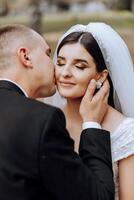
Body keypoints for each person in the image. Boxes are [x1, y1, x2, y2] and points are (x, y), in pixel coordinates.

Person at [0, 24, 115, 200]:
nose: (57, 69)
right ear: (25, 57)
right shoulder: (41, 120)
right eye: (48, 54)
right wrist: (92, 123)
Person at [53, 22, 134, 200]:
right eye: (60, 63)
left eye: (79, 66)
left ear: (101, 76)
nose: (64, 73)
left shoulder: (127, 134)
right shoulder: (48, 120)